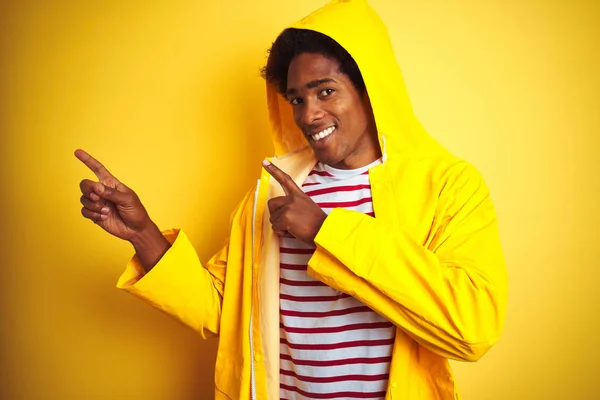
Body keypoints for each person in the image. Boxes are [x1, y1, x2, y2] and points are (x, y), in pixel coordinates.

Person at [75, 0, 507, 398]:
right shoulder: (273, 191)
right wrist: (143, 234)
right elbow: (225, 312)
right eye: (297, 99)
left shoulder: (448, 185)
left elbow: (471, 328)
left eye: (325, 91)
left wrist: (324, 229)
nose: (307, 115)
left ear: (369, 90)